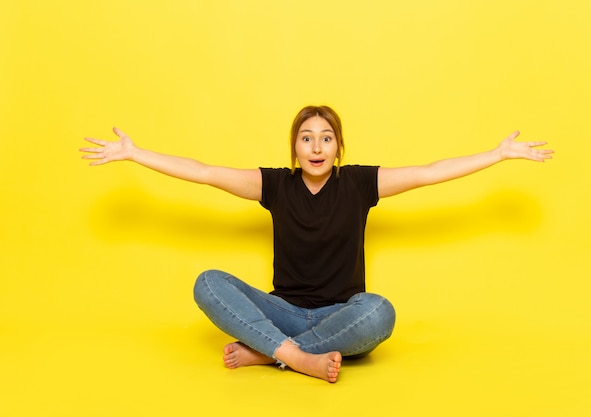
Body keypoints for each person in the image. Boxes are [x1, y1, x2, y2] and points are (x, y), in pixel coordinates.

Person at [80, 105, 553, 383]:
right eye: (306, 138)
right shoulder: (275, 186)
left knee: (380, 311)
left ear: (338, 148)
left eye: (326, 138)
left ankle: (270, 354)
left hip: (340, 314)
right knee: (208, 281)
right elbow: (204, 172)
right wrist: (134, 153)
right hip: (281, 309)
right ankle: (298, 356)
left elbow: (429, 172)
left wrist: (498, 154)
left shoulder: (359, 184)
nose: (316, 146)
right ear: (295, 149)